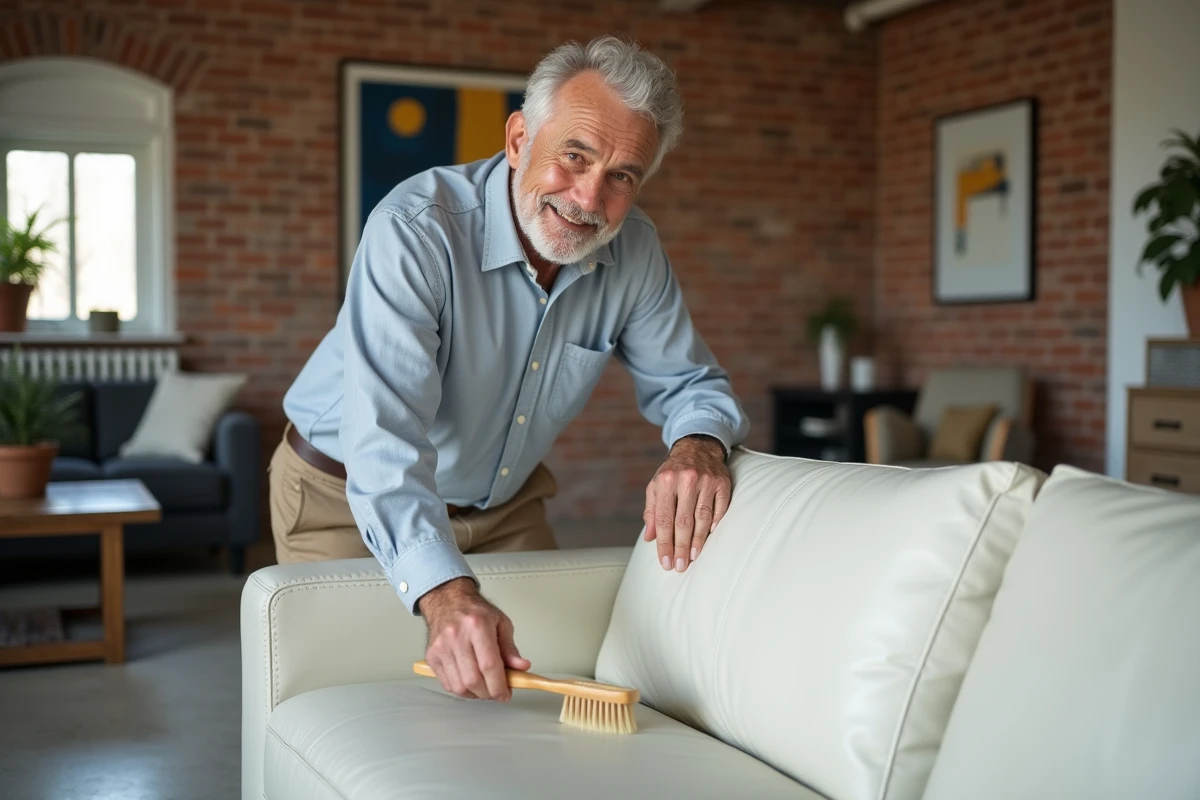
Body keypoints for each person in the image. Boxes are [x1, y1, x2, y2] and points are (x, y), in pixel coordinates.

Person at [270, 35, 749, 703]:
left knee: (537, 694)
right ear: (520, 138)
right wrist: (442, 592)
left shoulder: (633, 250)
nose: (588, 198)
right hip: (345, 497)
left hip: (502, 504)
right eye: (574, 157)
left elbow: (691, 383)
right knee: (362, 704)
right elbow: (385, 439)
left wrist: (697, 445)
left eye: (622, 176)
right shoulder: (415, 229)